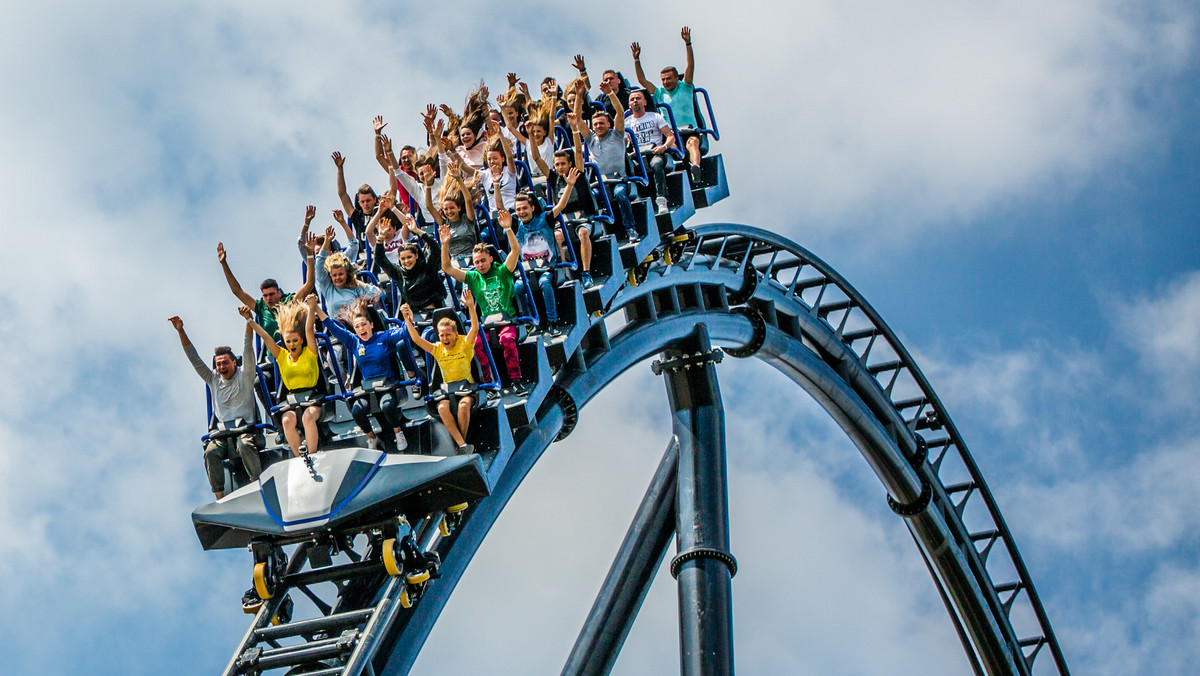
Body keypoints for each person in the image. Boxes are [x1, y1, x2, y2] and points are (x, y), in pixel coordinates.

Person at [168, 315, 262, 499]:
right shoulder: (213, 379)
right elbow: (193, 357)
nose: (221, 367)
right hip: (223, 433)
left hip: (246, 430)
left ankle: (257, 484)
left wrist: (248, 323)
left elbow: (248, 348)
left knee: (244, 446)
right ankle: (220, 497)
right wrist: (180, 330)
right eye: (218, 364)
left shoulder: (245, 375)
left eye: (225, 362)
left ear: (234, 362)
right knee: (210, 451)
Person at [313, 298, 413, 453]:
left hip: (387, 385)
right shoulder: (354, 342)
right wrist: (316, 308)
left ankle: (397, 431)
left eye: (364, 324)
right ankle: (372, 437)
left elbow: (405, 332)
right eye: (357, 326)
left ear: (371, 325)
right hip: (368, 387)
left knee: (386, 405)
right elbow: (332, 327)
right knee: (357, 410)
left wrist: (408, 319)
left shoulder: (384, 337)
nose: (361, 329)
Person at [440, 215, 526, 390]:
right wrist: (445, 244)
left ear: (490, 259)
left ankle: (516, 380)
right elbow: (447, 268)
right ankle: (488, 383)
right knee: (477, 344)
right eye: (476, 262)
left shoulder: (502, 271)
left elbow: (515, 252)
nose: (480, 265)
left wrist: (508, 229)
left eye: (483, 261)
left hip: (506, 320)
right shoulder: (472, 277)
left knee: (507, 341)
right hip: (485, 324)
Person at [402, 289, 480, 454]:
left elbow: (474, 327)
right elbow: (416, 339)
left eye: (448, 335)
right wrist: (408, 320)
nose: (445, 339)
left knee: (463, 406)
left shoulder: (464, 344)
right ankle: (462, 445)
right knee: (442, 408)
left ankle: (461, 443)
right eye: (441, 335)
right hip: (448, 390)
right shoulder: (437, 349)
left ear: (456, 334)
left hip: (466, 389)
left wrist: (471, 307)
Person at [244, 297, 323, 459]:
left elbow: (309, 330)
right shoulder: (282, 355)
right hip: (292, 400)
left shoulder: (310, 353)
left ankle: (312, 455)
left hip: (314, 398)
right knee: (287, 421)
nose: (292, 344)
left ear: (301, 340)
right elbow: (266, 337)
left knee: (308, 417)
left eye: (295, 340)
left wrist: (313, 307)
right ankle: (300, 456)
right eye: (288, 341)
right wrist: (249, 320)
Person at [633, 27, 704, 184]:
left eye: (669, 79)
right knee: (671, 147)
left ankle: (696, 167)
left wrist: (688, 43)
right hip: (671, 134)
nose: (665, 82)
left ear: (676, 79)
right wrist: (637, 60)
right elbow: (642, 81)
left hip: (689, 129)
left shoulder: (685, 87)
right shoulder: (659, 93)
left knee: (692, 143)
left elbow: (690, 64)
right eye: (663, 79)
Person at [217, 230, 314, 344]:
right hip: (276, 355)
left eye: (271, 294)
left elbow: (309, 283)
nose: (268, 298)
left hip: (295, 348)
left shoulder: (290, 302)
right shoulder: (260, 307)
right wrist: (224, 264)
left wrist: (310, 255)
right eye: (265, 295)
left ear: (279, 293)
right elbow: (237, 291)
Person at [512, 171, 578, 333]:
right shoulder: (516, 226)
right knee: (518, 287)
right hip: (527, 270)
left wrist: (569, 185)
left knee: (545, 283)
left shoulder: (544, 218)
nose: (521, 212)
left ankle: (552, 322)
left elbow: (561, 205)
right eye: (518, 209)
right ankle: (529, 322)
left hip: (547, 269)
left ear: (532, 208)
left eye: (524, 208)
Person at [576, 79, 639, 242]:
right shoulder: (591, 139)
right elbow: (577, 120)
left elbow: (619, 111)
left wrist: (610, 93)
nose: (598, 126)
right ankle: (596, 232)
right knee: (592, 198)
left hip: (618, 180)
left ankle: (631, 228)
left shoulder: (616, 135)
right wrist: (578, 95)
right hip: (600, 184)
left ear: (608, 124)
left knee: (620, 194)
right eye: (595, 124)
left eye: (601, 124)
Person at [625, 88, 676, 215]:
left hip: (655, 152)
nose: (635, 101)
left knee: (656, 165)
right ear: (629, 104)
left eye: (638, 98)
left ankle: (661, 200)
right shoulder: (627, 122)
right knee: (630, 171)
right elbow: (624, 142)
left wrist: (663, 147)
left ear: (645, 102)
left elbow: (670, 136)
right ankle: (640, 204)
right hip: (638, 155)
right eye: (632, 99)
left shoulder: (655, 117)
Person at [315, 225, 381, 320]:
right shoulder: (328, 289)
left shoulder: (354, 289)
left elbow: (376, 293)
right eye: (334, 275)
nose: (338, 277)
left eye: (341, 274)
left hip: (357, 326)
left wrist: (357, 282)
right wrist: (326, 242)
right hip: (339, 329)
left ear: (346, 274)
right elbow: (319, 264)